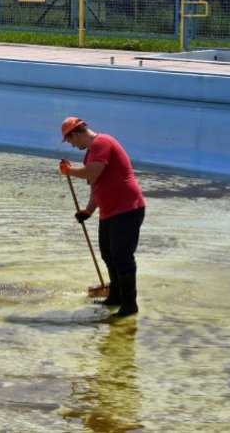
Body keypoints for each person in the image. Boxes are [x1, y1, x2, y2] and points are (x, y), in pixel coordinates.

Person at [58, 117, 145, 317]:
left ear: (76, 133)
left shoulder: (102, 142)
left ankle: (130, 305)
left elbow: (94, 171)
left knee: (122, 257)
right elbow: (96, 187)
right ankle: (116, 297)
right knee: (108, 255)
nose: (71, 144)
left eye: (70, 140)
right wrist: (88, 211)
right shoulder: (90, 155)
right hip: (109, 212)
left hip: (127, 209)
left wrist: (69, 171)